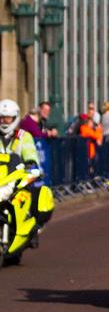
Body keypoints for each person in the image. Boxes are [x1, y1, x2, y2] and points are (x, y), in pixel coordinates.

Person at [0, 99, 54, 245]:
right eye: (2, 117)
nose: (4, 121)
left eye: (8, 118)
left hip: (16, 181)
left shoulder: (23, 136)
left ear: (15, 117)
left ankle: (31, 230)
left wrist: (31, 165)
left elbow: (30, 154)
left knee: (35, 198)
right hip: (1, 180)